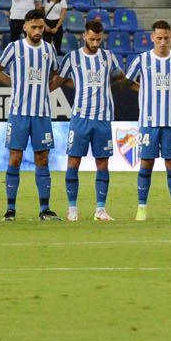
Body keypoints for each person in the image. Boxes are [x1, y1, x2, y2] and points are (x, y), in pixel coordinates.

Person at [54, 20, 127, 222]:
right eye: (92, 39)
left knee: (102, 162)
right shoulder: (73, 58)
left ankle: (100, 209)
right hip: (80, 118)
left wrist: (108, 87)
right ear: (84, 36)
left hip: (103, 118)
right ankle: (72, 209)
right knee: (73, 161)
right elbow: (59, 80)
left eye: (98, 39)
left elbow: (119, 76)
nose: (95, 43)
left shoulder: (108, 57)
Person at [0, 10, 60, 220]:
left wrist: (44, 89)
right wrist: (14, 86)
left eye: (41, 27)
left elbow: (55, 74)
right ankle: (10, 210)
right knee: (15, 158)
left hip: (42, 114)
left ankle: (45, 209)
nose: (37, 31)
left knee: (42, 158)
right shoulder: (14, 48)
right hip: (19, 113)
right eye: (33, 27)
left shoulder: (49, 50)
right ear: (25, 27)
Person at [127, 21, 171, 220]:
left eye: (166, 38)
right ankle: (141, 208)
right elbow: (129, 81)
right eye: (159, 38)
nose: (163, 42)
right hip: (148, 122)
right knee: (146, 163)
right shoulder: (142, 60)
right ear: (152, 38)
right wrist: (144, 92)